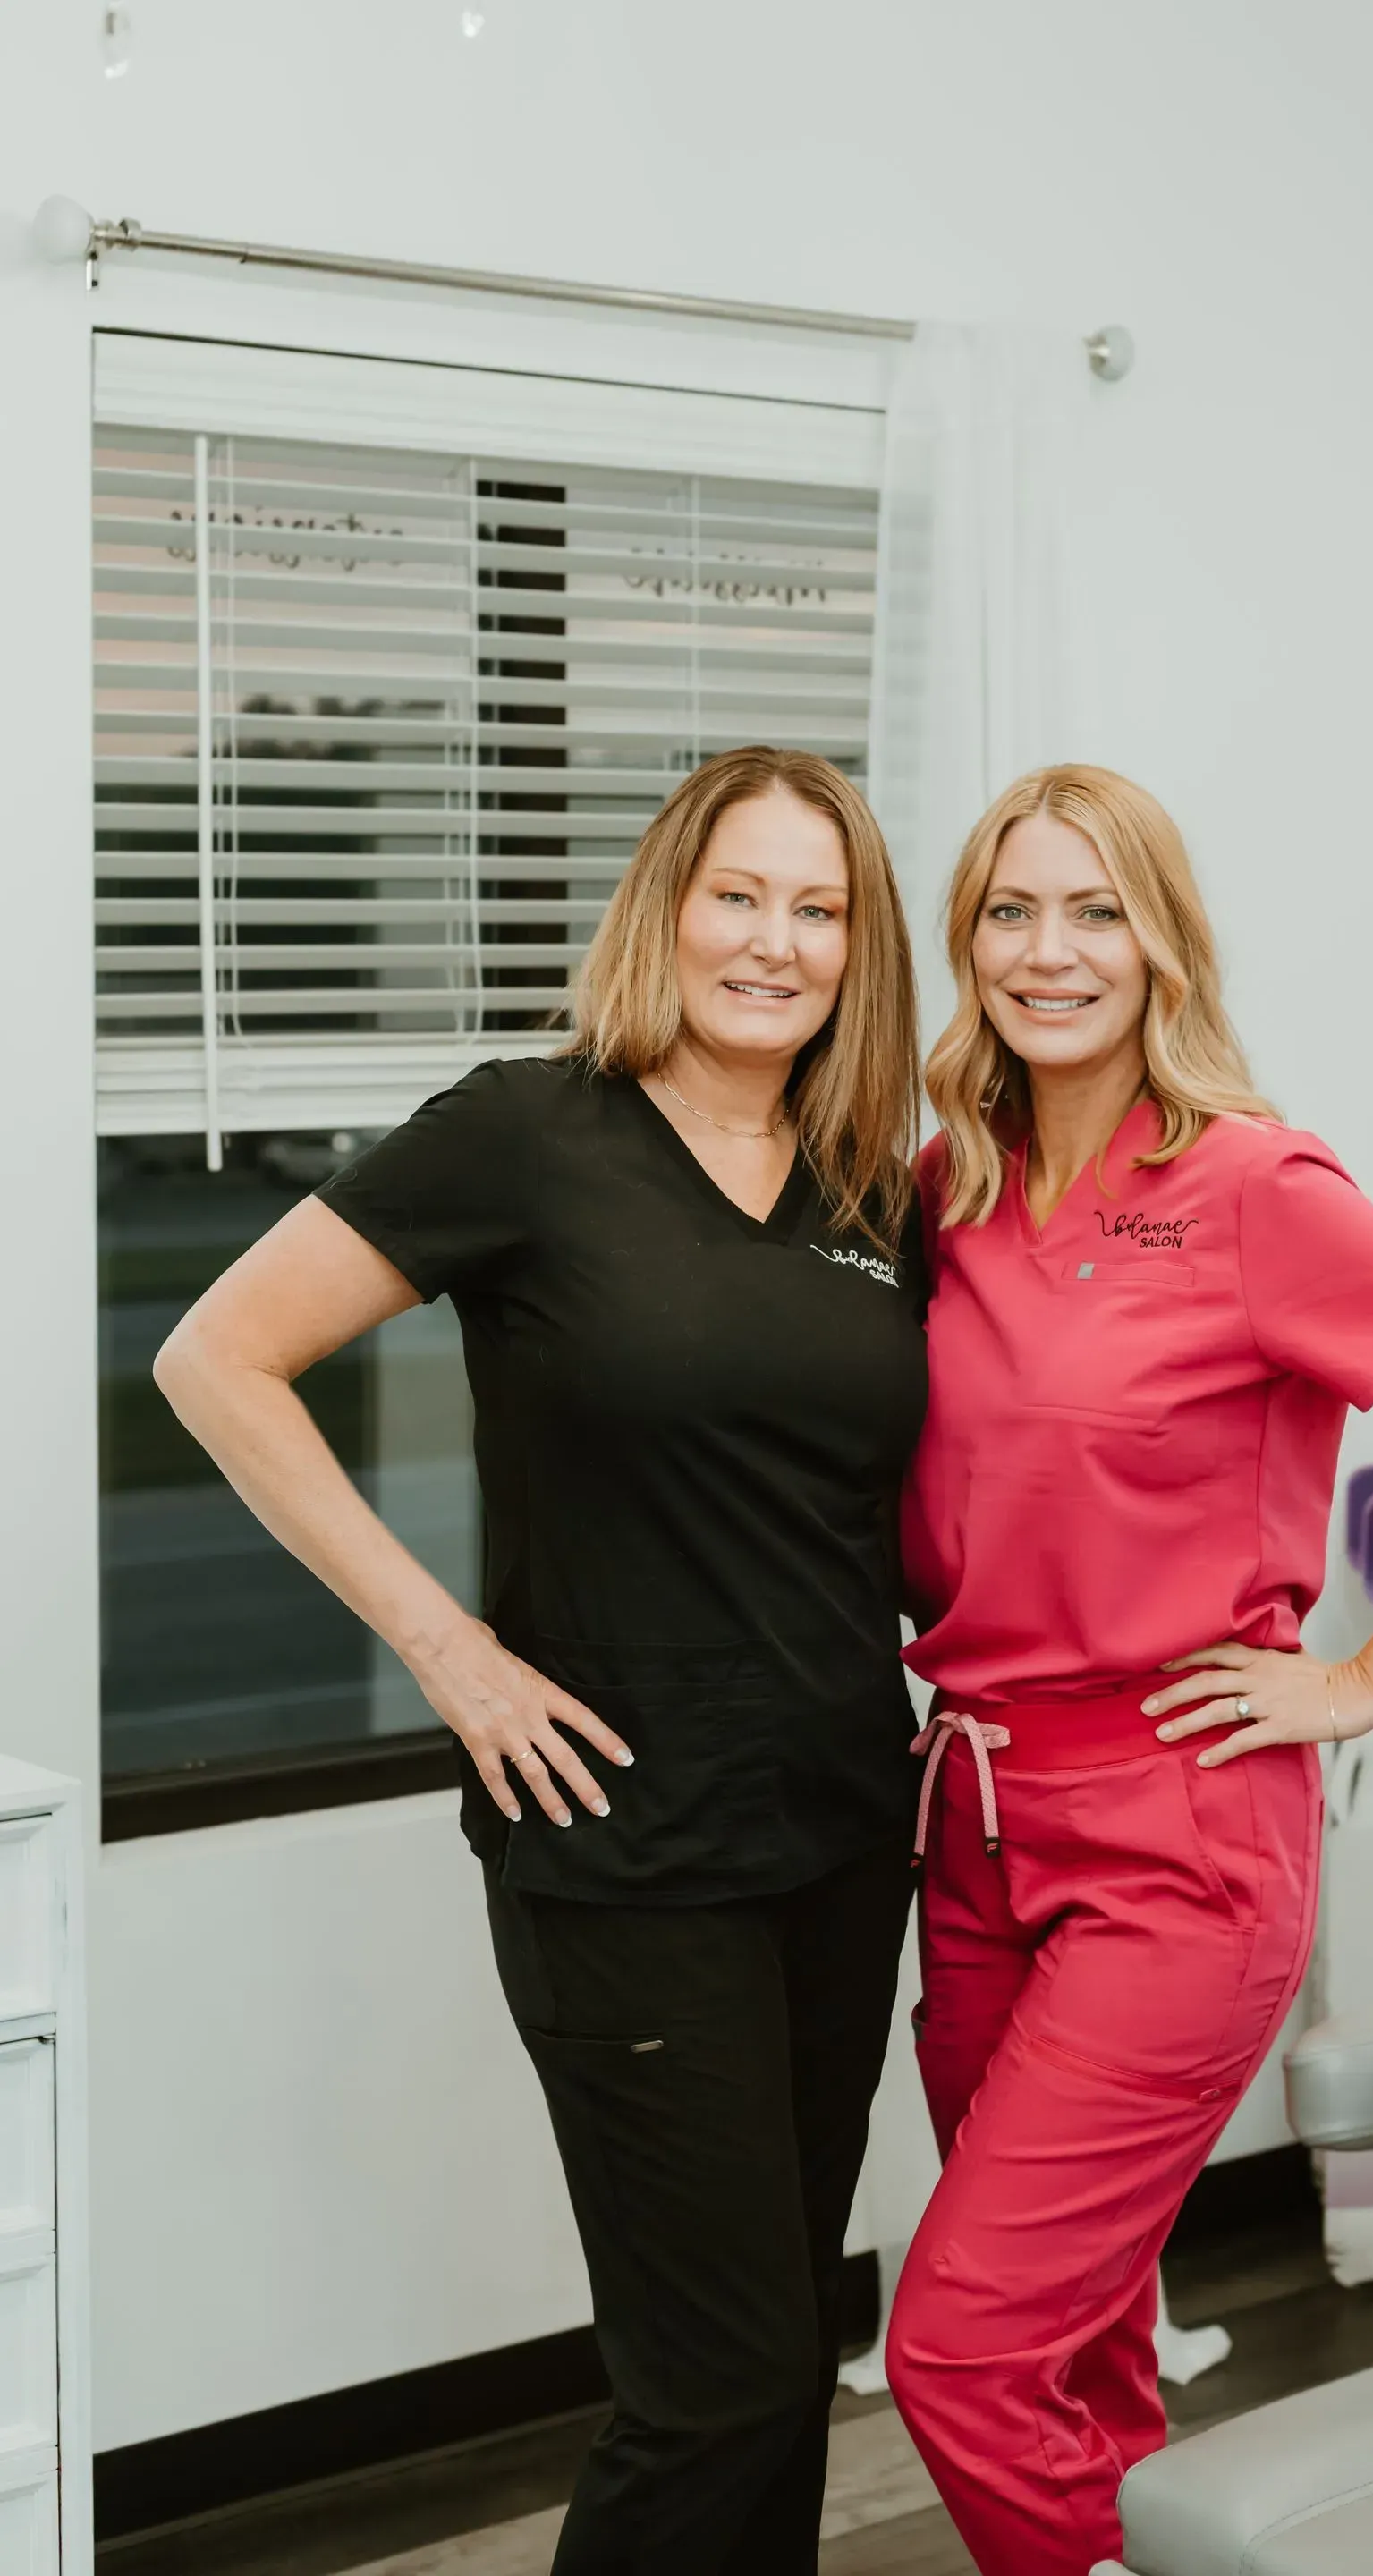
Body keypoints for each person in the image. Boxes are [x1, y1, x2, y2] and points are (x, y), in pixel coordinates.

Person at [154, 747, 928, 2576]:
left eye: (820, 910)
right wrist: (447, 1646)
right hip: (626, 1850)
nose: (775, 942)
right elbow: (217, 1359)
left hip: (839, 1833)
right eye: (740, 893)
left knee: (782, 2362)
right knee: (713, 2384)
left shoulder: (871, 1187)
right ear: (666, 905)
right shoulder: (528, 1131)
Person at [884, 764, 1373, 2576]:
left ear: (1165, 943)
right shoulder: (943, 1185)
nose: (1049, 952)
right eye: (1008, 911)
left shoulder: (1251, 1188)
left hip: (1176, 1836)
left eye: (1094, 910)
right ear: (964, 943)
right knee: (1071, 2319)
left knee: (959, 2351)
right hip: (970, 1820)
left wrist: (1364, 1677)